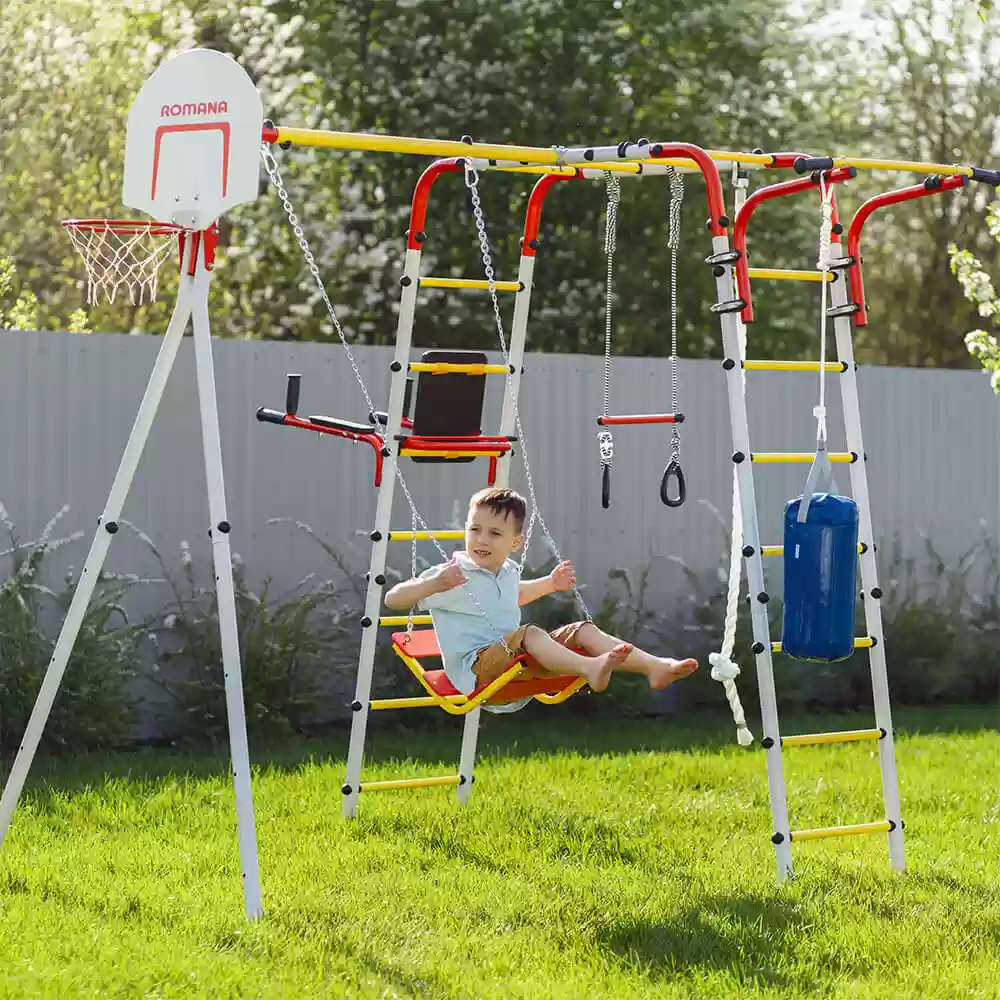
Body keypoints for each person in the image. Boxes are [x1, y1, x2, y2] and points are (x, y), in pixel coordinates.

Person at [383, 487, 699, 700]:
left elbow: (514, 596)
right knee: (530, 633)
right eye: (475, 530)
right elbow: (393, 598)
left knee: (583, 630)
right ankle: (590, 667)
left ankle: (654, 667)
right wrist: (432, 585)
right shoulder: (452, 574)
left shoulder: (506, 572)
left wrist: (550, 583)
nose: (482, 540)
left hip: (513, 659)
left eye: (494, 533)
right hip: (476, 669)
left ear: (516, 543)